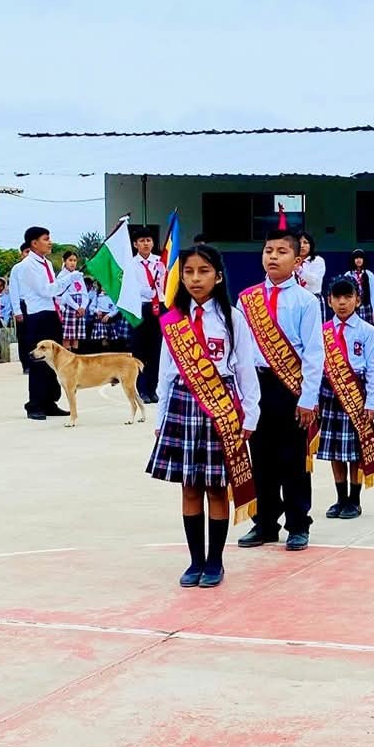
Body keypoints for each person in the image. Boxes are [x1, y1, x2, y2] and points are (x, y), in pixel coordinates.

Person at [146, 243, 262, 588]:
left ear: (218, 276)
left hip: (221, 406)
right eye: (189, 272)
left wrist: (250, 415)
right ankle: (195, 560)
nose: (195, 278)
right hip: (182, 404)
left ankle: (215, 562)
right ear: (181, 278)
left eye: (203, 271)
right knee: (190, 487)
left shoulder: (232, 317)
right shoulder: (173, 320)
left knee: (216, 488)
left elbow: (245, 368)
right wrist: (160, 419)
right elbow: (165, 373)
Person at [236, 228, 325, 551]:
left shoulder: (306, 301)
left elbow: (314, 353)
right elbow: (240, 350)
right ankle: (265, 523)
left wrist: (308, 398)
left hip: (291, 388)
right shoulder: (246, 299)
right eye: (268, 250)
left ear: (298, 261)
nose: (273, 256)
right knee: (260, 457)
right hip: (256, 385)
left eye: (281, 251)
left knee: (293, 460)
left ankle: (298, 524)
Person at [318, 274, 374, 519]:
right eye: (337, 297)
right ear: (329, 300)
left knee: (355, 451)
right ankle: (340, 498)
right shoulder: (323, 332)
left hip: (356, 394)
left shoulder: (367, 331)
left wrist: (371, 402)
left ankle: (354, 500)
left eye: (348, 297)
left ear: (358, 300)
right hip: (329, 395)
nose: (342, 302)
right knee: (335, 450)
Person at [12, 228, 67, 420]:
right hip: (38, 316)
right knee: (38, 361)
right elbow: (45, 290)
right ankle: (34, 404)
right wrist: (68, 278)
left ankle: (50, 401)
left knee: (53, 360)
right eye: (46, 239)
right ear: (34, 243)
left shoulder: (47, 263)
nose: (50, 242)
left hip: (51, 314)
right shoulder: (27, 266)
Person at [132, 225, 166, 402]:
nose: (145, 244)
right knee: (140, 350)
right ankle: (142, 389)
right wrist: (147, 292)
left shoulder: (160, 262)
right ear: (135, 244)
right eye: (142, 241)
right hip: (141, 308)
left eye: (148, 240)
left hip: (159, 307)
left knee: (156, 349)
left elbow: (168, 284)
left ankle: (153, 388)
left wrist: (162, 279)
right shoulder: (131, 264)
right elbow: (130, 286)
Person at [55, 250, 87, 350]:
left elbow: (84, 292)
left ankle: (76, 355)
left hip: (80, 307)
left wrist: (83, 307)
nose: (73, 263)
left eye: (75, 260)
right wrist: (76, 307)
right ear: (64, 261)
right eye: (70, 260)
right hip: (69, 307)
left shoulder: (78, 275)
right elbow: (64, 294)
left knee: (76, 336)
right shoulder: (62, 276)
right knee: (67, 336)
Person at [293, 231, 326, 297]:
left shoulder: (318, 260)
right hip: (294, 298)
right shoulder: (290, 261)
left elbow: (314, 280)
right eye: (299, 243)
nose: (302, 246)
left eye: (305, 242)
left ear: (311, 245)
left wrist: (299, 270)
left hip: (313, 297)